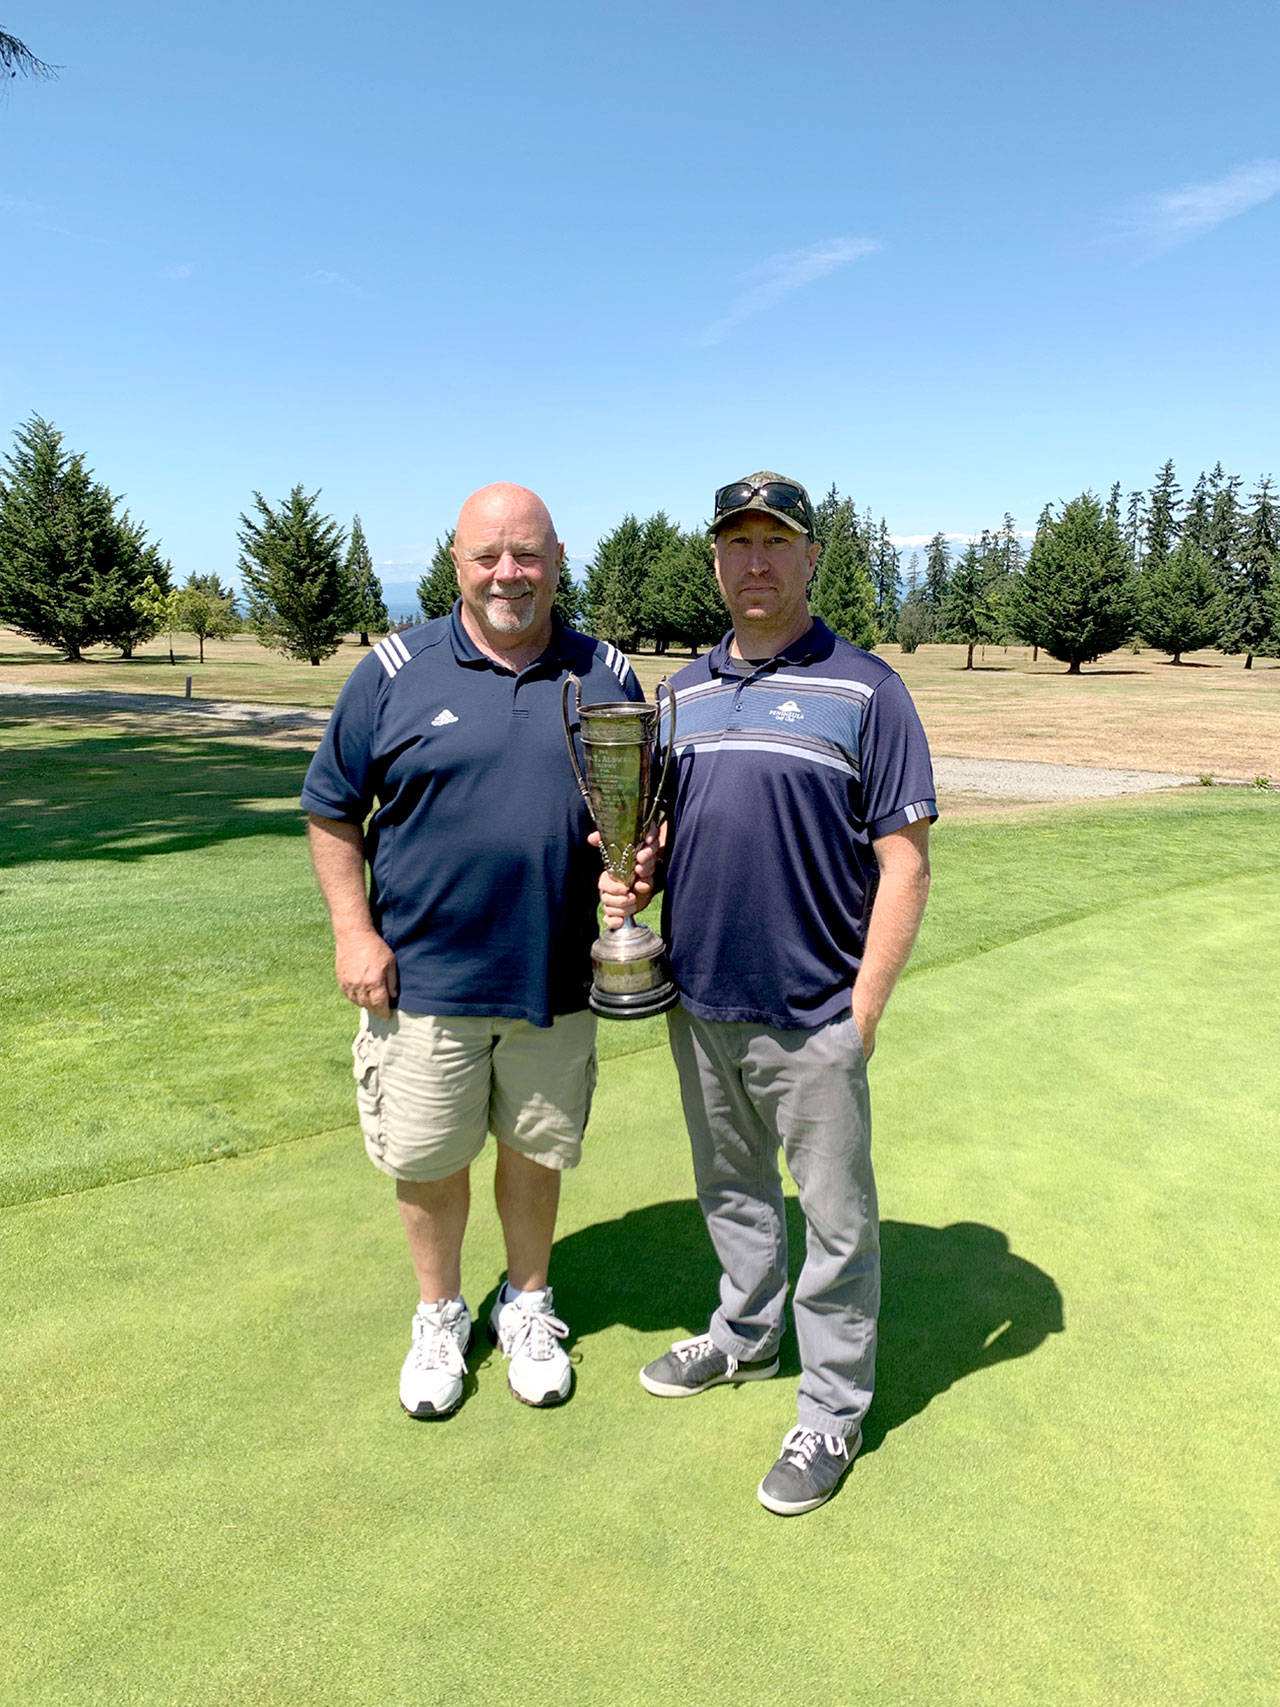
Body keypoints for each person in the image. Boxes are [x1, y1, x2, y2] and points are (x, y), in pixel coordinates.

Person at [601, 472, 936, 1514]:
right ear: (713, 560)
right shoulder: (681, 695)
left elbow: (904, 862)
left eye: (774, 542)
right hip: (698, 1000)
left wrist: (862, 1013)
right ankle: (742, 1338)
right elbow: (655, 832)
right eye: (735, 543)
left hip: (812, 1010)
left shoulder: (865, 688)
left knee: (835, 1226)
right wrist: (630, 870)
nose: (754, 561)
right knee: (732, 1193)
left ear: (808, 558)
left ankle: (831, 1412)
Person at [302, 482, 642, 1419]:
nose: (508, 573)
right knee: (427, 1156)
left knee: (536, 1151)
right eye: (488, 555)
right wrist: (352, 928)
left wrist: (636, 873)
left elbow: (636, 818)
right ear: (455, 562)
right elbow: (331, 806)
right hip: (422, 978)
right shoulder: (393, 669)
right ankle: (440, 1313)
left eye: (526, 554)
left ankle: (526, 1301)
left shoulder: (606, 671)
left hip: (555, 975)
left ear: (557, 558)